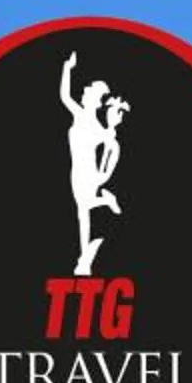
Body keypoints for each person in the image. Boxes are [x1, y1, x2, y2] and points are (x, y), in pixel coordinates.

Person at [60, 50, 127, 275]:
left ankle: (82, 261)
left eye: (88, 94)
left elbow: (111, 142)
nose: (83, 96)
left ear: (94, 101)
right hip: (75, 172)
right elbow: (64, 96)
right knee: (82, 209)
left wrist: (114, 122)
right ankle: (105, 201)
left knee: (82, 211)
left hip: (88, 173)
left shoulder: (97, 126)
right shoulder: (78, 114)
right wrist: (67, 69)